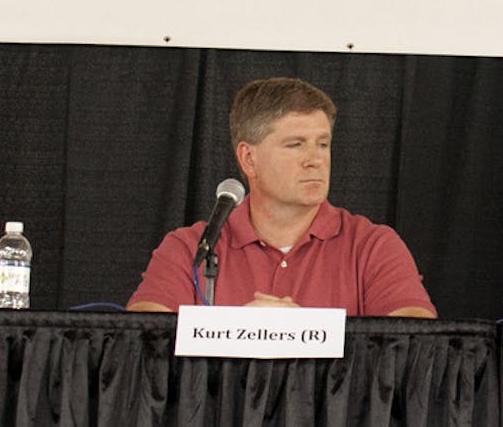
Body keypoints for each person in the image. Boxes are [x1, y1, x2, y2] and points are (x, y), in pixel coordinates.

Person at [128, 78, 435, 317]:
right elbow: (142, 337)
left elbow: (415, 339)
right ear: (248, 159)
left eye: (323, 144)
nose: (315, 160)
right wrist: (238, 333)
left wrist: (304, 335)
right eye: (295, 145)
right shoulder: (190, 248)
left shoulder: (373, 246)